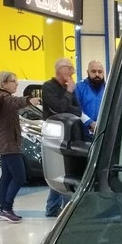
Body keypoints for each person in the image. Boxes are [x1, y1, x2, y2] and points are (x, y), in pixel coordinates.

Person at [0, 71, 39, 223]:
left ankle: (3, 209)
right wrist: (29, 100)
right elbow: (15, 102)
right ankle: (7, 208)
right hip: (9, 143)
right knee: (19, 176)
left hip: (3, 142)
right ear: (4, 83)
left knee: (7, 177)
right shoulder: (3, 98)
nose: (16, 84)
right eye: (13, 81)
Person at [41, 58, 82, 217]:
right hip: (55, 137)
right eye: (70, 68)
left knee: (65, 170)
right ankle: (64, 210)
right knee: (59, 169)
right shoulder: (49, 87)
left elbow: (77, 110)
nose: (73, 72)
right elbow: (59, 108)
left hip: (70, 134)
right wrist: (69, 93)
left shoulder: (68, 87)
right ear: (60, 69)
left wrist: (67, 101)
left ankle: (54, 208)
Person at [75, 59, 106, 135]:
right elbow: (76, 108)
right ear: (87, 72)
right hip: (83, 133)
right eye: (93, 71)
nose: (97, 74)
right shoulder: (79, 87)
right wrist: (90, 122)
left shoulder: (108, 88)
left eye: (100, 72)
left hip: (104, 132)